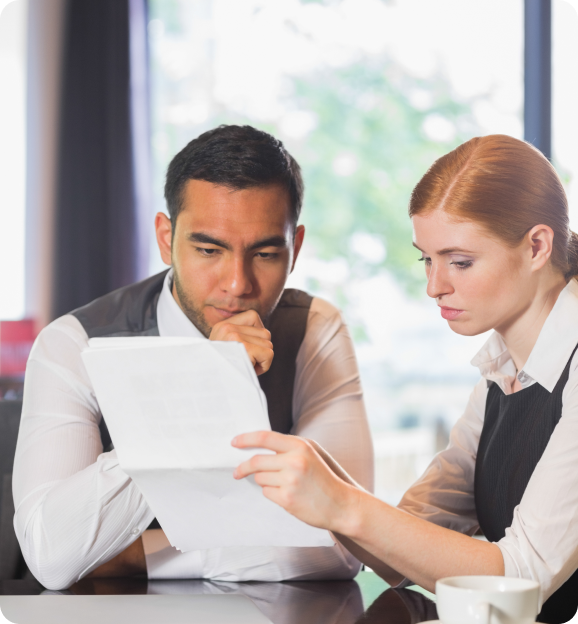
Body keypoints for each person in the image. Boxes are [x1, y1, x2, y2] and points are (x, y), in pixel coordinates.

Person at [234, 134, 578, 624]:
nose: (434, 285)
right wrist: (319, 481)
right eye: (427, 258)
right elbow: (401, 543)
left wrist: (342, 503)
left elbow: (523, 578)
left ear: (537, 246)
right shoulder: (501, 368)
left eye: (460, 261)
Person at [12, 125, 373, 590]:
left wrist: (133, 556)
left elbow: (346, 544)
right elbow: (51, 556)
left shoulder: (315, 330)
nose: (238, 284)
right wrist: (201, 386)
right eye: (208, 249)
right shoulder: (73, 343)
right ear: (166, 238)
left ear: (295, 248)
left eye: (265, 253)